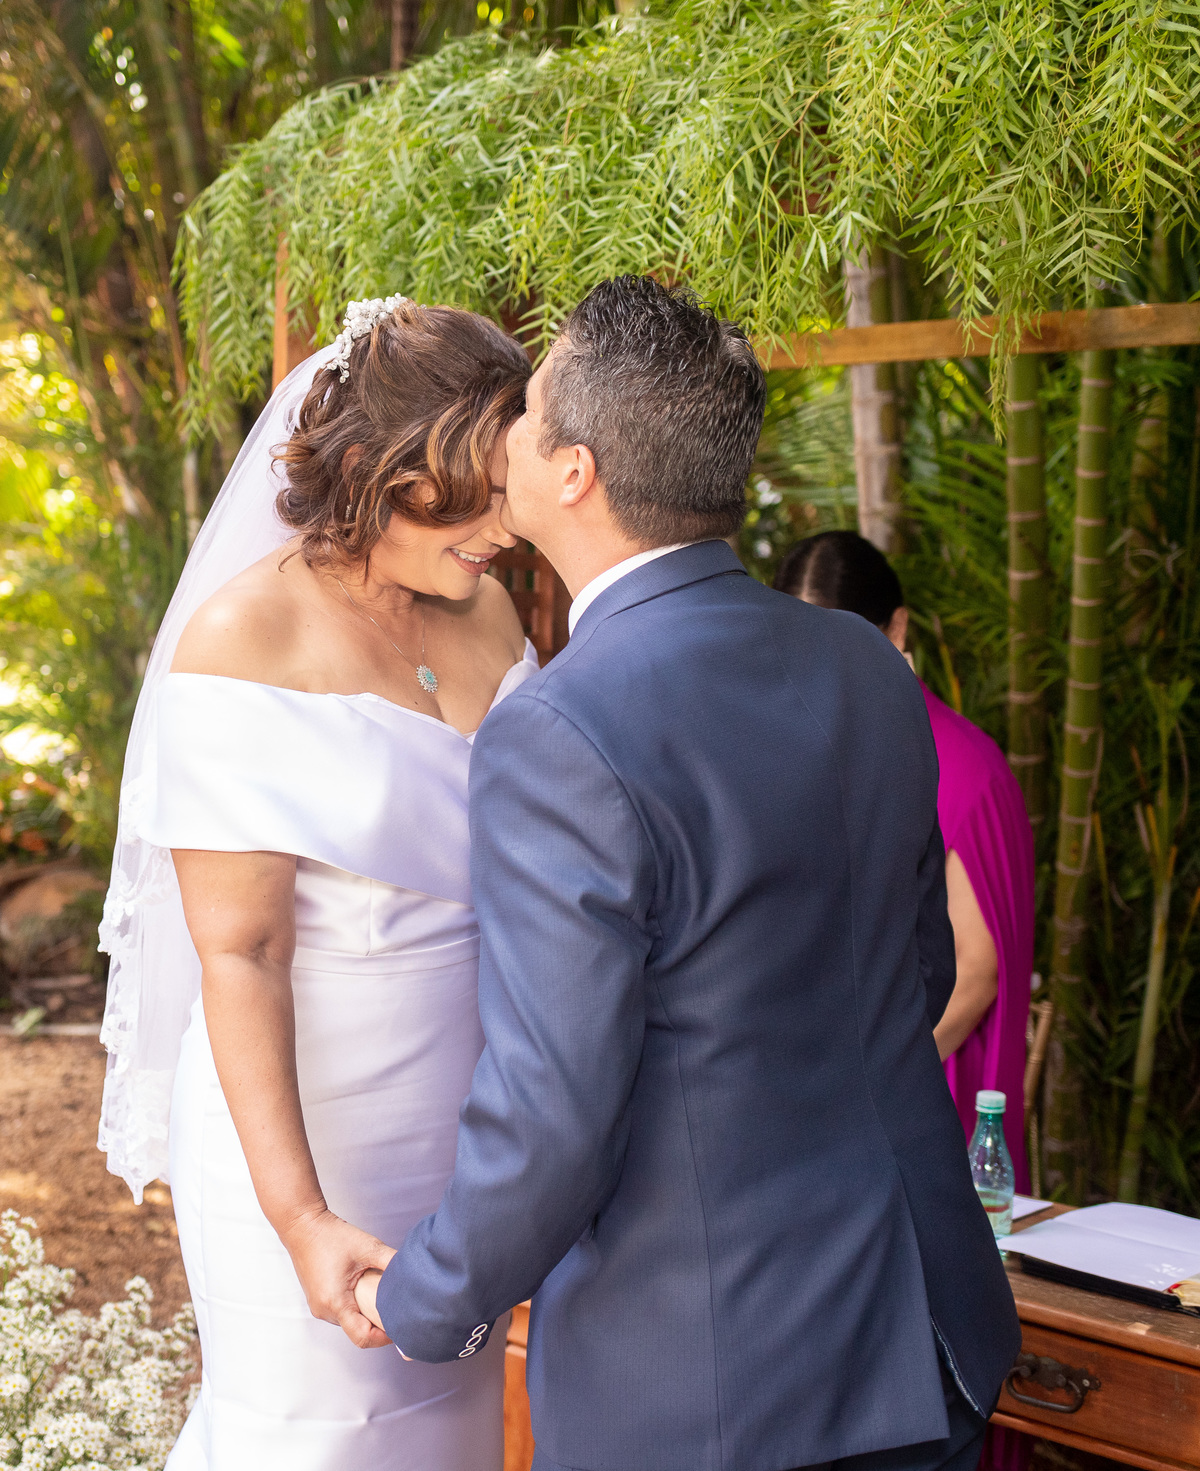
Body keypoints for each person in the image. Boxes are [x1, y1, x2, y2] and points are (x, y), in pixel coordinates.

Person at [353, 276, 1020, 1471]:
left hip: (716, 1388)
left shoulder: (559, 731)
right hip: (923, 1339)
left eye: (530, 407)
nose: (507, 427)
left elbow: (556, 1115)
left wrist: (423, 1295)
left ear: (575, 471)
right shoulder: (866, 671)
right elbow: (913, 979)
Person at [97, 297, 537, 1470]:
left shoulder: (487, 606)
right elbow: (240, 953)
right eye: (477, 487)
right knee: (315, 1438)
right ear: (380, 469)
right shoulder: (244, 638)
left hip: (467, 1128)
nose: (509, 521)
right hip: (302, 1129)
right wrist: (299, 1215)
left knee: (448, 1435)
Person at [774, 529, 1034, 1192]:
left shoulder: (966, 769)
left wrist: (860, 1094)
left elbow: (974, 975)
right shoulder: (792, 751)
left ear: (897, 629)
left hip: (913, 1093)